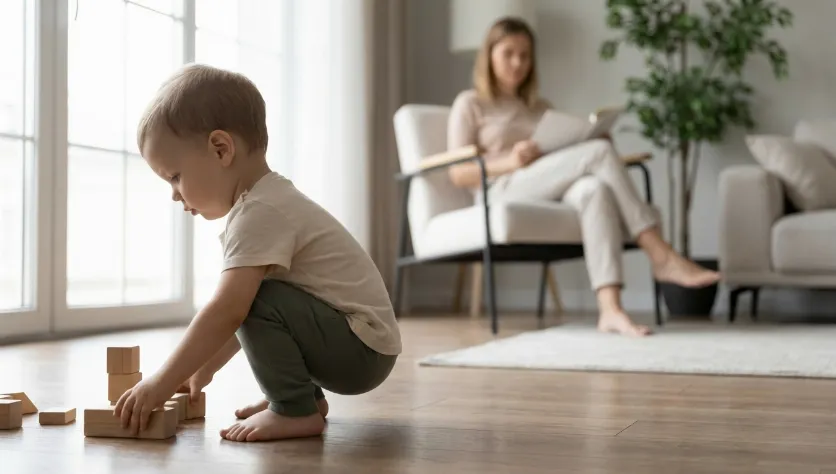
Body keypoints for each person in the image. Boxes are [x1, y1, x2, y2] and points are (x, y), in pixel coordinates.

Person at [113, 64, 401, 442]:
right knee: (258, 298)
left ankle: (294, 409)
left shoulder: (260, 213)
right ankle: (303, 400)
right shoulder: (267, 201)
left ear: (221, 149)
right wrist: (202, 369)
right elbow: (255, 319)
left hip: (360, 351)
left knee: (253, 298)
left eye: (175, 176)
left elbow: (231, 311)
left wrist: (161, 383)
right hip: (363, 345)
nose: (174, 193)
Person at [447, 17, 719, 337]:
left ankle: (611, 309)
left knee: (594, 189)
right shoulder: (470, 103)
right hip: (501, 188)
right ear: (489, 55)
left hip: (545, 185)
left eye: (525, 55)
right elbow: (458, 173)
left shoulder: (540, 107)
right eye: (509, 53)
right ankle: (661, 255)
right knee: (598, 155)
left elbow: (557, 155)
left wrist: (591, 139)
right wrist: (509, 161)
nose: (518, 63)